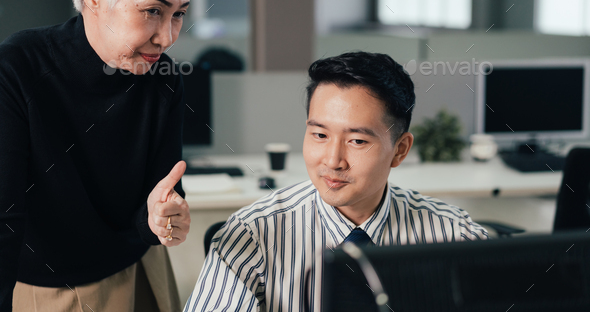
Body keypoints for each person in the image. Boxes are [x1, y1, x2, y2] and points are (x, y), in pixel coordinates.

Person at [184, 51, 489, 312]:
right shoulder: (253, 234)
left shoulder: (454, 236)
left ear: (400, 150)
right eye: (319, 135)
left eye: (357, 141)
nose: (332, 161)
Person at [0, 0, 197, 311]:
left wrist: (161, 218)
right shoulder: (18, 68)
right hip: (50, 287)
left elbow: (159, 196)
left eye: (178, 14)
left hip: (141, 266)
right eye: (153, 11)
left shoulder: (164, 76)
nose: (168, 36)